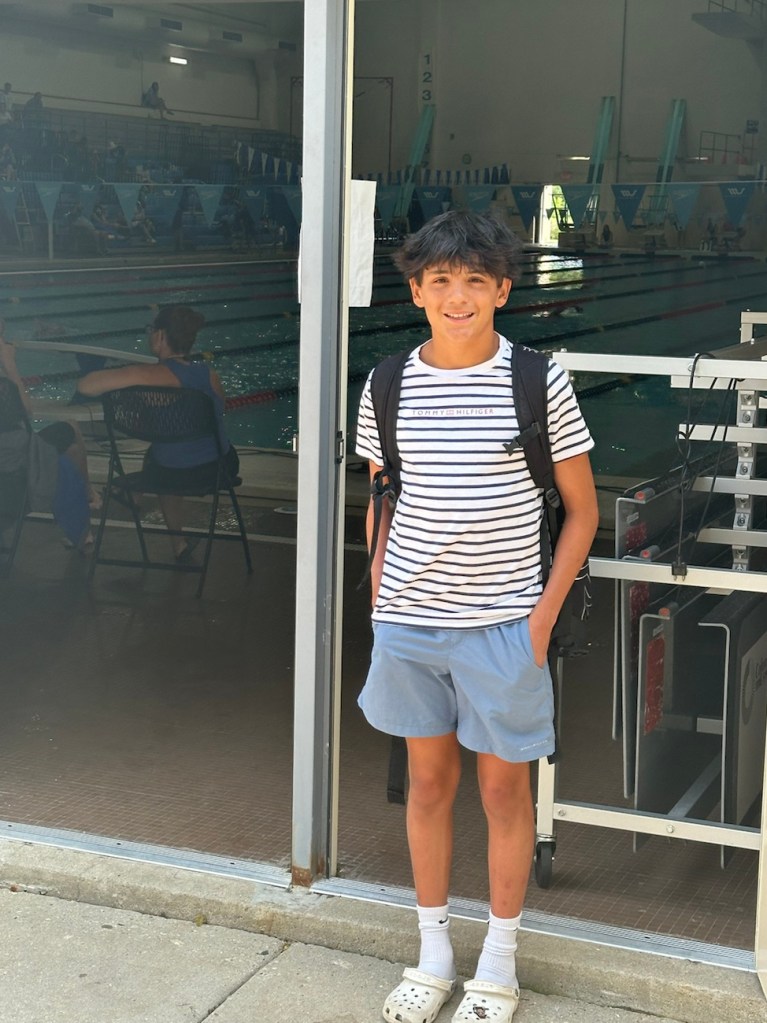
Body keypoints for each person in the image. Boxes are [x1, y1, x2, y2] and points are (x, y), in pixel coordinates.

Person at [355, 211, 598, 1023]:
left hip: (503, 625)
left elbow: (581, 510)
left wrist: (540, 619)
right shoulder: (386, 382)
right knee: (426, 784)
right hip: (410, 622)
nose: (455, 296)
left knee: (502, 790)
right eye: (439, 281)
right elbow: (382, 495)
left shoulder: (536, 379)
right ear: (416, 291)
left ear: (501, 289)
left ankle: (497, 965)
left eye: (473, 280)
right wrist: (381, 590)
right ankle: (432, 954)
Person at [76, 305, 237, 560]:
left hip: (166, 473)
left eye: (151, 329)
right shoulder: (209, 376)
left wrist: (130, 374)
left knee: (163, 456)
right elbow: (219, 412)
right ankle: (175, 542)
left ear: (160, 336)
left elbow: (86, 386)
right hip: (216, 470)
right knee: (171, 453)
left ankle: (144, 506)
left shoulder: (142, 375)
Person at [0, 327, 95, 553]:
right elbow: (26, 412)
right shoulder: (4, 387)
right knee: (70, 432)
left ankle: (84, 516)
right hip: (14, 478)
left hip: (10, 465)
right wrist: (10, 365)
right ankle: (87, 500)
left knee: (68, 449)